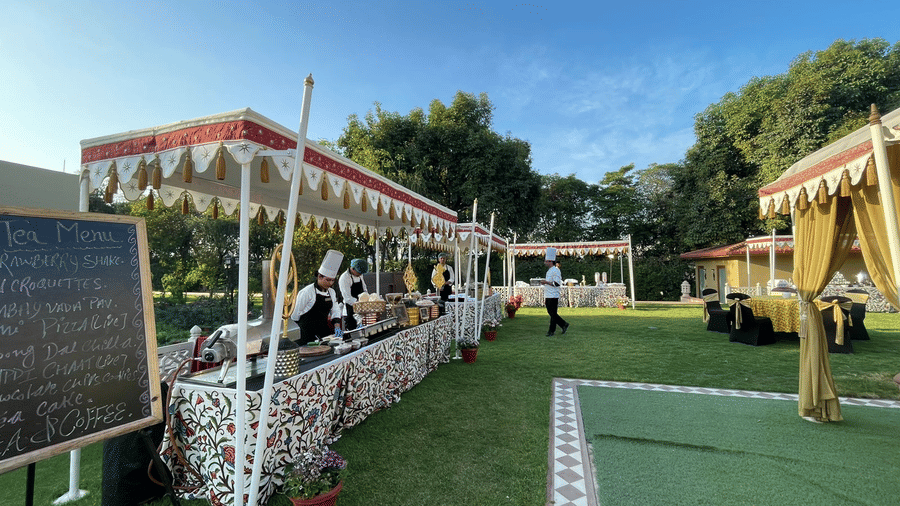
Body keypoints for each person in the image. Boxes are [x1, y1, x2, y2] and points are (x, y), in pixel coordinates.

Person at [291, 249, 344, 345]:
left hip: (323, 333)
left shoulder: (331, 292)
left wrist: (337, 326)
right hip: (306, 334)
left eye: (333, 280)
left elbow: (335, 310)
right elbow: (295, 315)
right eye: (328, 280)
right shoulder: (307, 292)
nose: (330, 283)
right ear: (319, 277)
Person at [539, 247, 569, 336]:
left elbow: (557, 283)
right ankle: (563, 324)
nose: (545, 262)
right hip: (548, 294)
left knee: (553, 313)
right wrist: (546, 282)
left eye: (546, 261)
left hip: (553, 294)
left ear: (550, 261)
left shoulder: (556, 270)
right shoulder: (549, 271)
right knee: (551, 313)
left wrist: (546, 282)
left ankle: (552, 331)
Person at [338, 258, 369, 331]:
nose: (360, 274)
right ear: (353, 269)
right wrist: (360, 303)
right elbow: (347, 298)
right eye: (359, 273)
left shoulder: (360, 275)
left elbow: (364, 289)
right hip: (350, 311)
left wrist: (368, 298)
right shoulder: (344, 278)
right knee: (353, 333)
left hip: (361, 310)